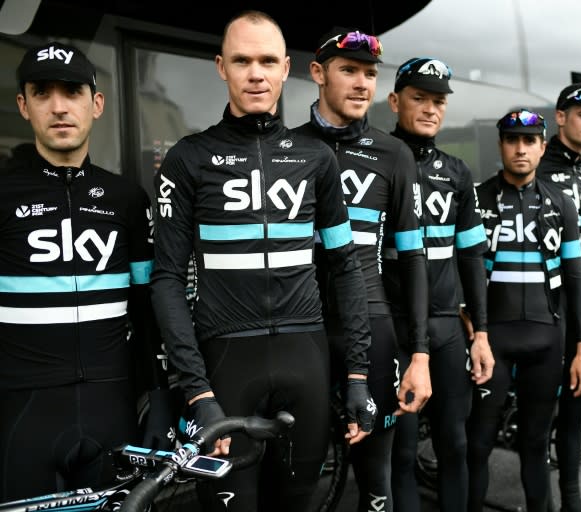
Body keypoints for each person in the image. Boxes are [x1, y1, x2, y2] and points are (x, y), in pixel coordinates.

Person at [150, 13, 376, 512]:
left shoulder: (317, 159)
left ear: (285, 68)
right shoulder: (190, 158)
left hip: (307, 361)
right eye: (242, 60)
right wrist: (197, 394)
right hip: (226, 367)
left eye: (267, 60)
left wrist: (357, 375)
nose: (255, 73)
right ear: (221, 68)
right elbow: (166, 281)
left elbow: (346, 267)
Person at [0, 42, 172, 500]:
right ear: (23, 104)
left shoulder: (128, 199)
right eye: (41, 92)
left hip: (111, 410)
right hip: (22, 413)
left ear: (96, 104)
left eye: (72, 91)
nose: (58, 106)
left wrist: (159, 399)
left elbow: (146, 307)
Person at [292, 29, 433, 512]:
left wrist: (419, 354)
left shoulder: (394, 154)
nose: (360, 83)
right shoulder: (286, 148)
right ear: (317, 73)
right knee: (298, 474)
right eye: (347, 70)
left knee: (377, 478)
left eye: (369, 74)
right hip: (299, 329)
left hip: (373, 330)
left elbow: (413, 257)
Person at [467, 109, 581, 512]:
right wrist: (463, 315)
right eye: (511, 140)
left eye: (529, 141)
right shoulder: (475, 198)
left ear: (542, 147)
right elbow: (457, 270)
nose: (520, 149)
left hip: (545, 340)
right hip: (492, 341)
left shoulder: (562, 204)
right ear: (501, 145)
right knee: (479, 442)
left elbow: (576, 280)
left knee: (535, 443)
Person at [385, 57, 494, 512]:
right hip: (391, 327)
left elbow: (472, 257)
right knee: (402, 452)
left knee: (455, 444)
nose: (431, 109)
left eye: (439, 101)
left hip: (448, 327)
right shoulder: (377, 160)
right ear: (394, 101)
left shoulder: (457, 172)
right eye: (419, 98)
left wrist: (482, 332)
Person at [536, 82, 581, 512]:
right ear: (560, 117)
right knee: (544, 405)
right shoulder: (542, 162)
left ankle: (573, 500)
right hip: (541, 295)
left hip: (578, 290)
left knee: (579, 398)